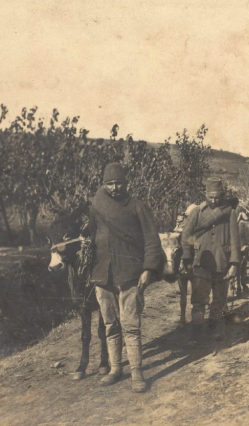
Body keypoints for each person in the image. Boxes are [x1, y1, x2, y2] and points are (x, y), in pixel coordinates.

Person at [89, 163, 163, 393]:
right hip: (103, 274)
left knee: (130, 325)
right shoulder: (96, 207)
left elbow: (152, 240)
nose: (114, 187)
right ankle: (115, 369)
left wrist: (148, 269)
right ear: (103, 184)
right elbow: (91, 237)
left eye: (118, 182)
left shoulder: (138, 207)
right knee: (110, 324)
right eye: (109, 183)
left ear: (126, 183)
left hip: (129, 273)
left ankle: (137, 373)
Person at [181, 177, 241, 340]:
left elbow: (235, 240)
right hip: (201, 262)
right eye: (211, 196)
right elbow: (186, 235)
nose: (214, 200)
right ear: (205, 194)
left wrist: (234, 263)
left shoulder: (230, 212)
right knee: (199, 300)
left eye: (217, 197)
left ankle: (215, 329)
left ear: (222, 195)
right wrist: (195, 247)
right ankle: (197, 333)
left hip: (223, 261)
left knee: (219, 300)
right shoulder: (197, 212)